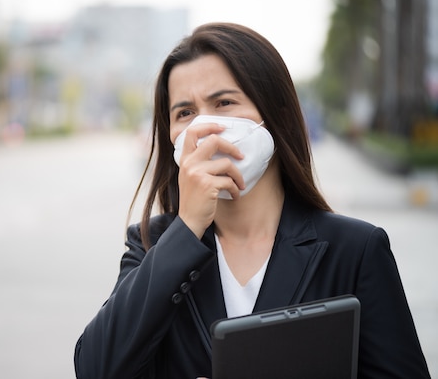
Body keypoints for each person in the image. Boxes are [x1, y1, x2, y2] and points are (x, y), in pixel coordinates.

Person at [74, 23, 430, 378]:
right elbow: (95, 368)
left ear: (274, 116)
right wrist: (186, 229)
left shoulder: (354, 250)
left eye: (224, 102)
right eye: (184, 113)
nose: (204, 127)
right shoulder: (152, 245)